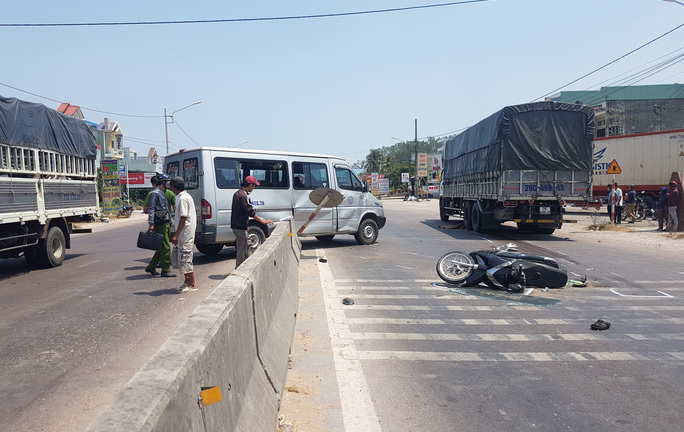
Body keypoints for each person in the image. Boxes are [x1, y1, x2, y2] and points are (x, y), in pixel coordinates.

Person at [231, 176, 273, 269]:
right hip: (240, 228)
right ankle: (239, 270)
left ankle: (247, 268)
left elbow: (240, 212)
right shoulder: (244, 196)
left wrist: (246, 225)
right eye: (254, 186)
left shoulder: (237, 193)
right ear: (250, 185)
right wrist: (263, 221)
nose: (254, 188)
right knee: (242, 250)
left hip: (237, 226)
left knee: (247, 247)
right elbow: (250, 212)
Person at [169, 177, 197, 292]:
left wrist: (176, 235)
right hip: (183, 233)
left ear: (174, 187)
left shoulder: (183, 198)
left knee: (185, 258)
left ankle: (193, 283)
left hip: (185, 233)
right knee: (180, 258)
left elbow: (183, 217)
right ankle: (187, 281)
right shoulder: (183, 197)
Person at [145, 174, 176, 277]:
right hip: (160, 223)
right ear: (162, 182)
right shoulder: (155, 193)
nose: (169, 184)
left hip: (166, 222)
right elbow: (151, 209)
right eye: (167, 182)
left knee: (161, 247)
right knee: (166, 247)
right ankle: (165, 270)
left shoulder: (165, 192)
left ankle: (151, 266)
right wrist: (151, 223)